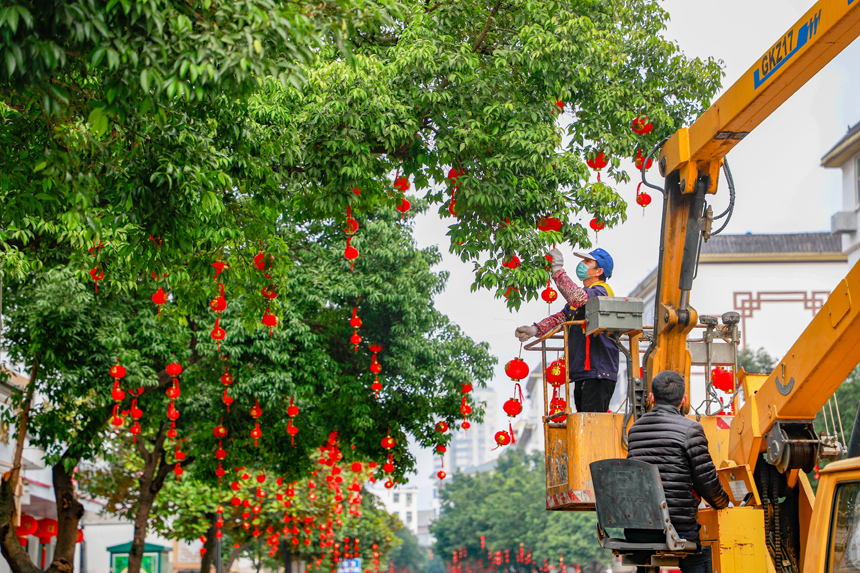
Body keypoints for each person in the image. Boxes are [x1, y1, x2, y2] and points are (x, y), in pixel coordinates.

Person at [625, 370, 729, 573]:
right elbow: (706, 482)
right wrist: (723, 503)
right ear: (684, 400)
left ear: (652, 398)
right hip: (677, 528)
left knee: (645, 560)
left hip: (637, 529)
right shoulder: (691, 429)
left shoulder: (635, 430)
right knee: (697, 558)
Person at [514, 247, 619, 413]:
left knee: (590, 425)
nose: (582, 264)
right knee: (583, 422)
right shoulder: (584, 296)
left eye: (587, 262)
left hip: (598, 372)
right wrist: (535, 329)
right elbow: (561, 318)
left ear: (598, 271)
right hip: (584, 371)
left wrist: (558, 270)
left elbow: (577, 297)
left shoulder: (601, 292)